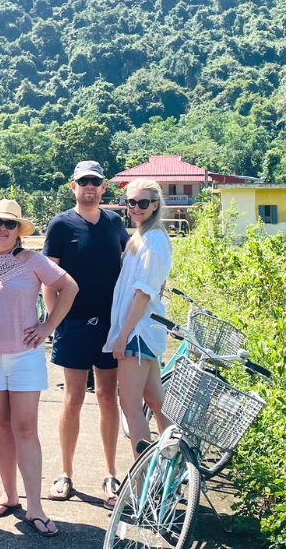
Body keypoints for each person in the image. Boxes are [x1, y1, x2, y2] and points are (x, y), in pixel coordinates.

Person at [0, 199, 79, 538]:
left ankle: (35, 507)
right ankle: (9, 495)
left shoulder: (33, 260)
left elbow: (69, 288)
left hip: (25, 358)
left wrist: (48, 326)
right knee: (1, 427)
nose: (2, 228)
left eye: (10, 224)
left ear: (19, 231)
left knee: (26, 429)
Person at [42, 161, 129, 509]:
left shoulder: (115, 223)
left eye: (94, 181)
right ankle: (65, 472)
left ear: (103, 187)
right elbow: (49, 277)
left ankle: (110, 473)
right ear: (73, 186)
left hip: (110, 325)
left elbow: (131, 263)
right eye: (83, 182)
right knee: (73, 397)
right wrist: (55, 321)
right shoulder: (61, 224)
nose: (89, 186)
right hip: (73, 325)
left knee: (108, 397)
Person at [106, 179, 173, 462]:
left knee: (130, 406)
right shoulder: (143, 236)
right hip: (142, 331)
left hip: (137, 333)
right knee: (156, 401)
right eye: (130, 202)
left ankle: (142, 475)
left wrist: (122, 335)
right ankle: (174, 462)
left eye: (142, 202)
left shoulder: (154, 240)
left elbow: (143, 294)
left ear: (155, 205)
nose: (135, 207)